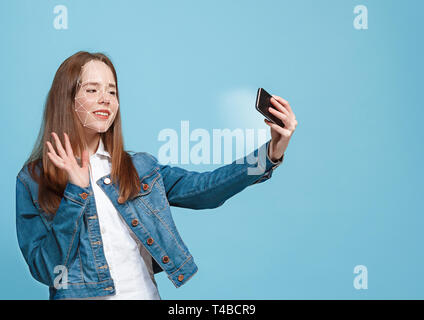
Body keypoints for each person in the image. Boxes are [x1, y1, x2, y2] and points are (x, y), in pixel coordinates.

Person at [15, 51, 298, 300]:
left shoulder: (139, 168)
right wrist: (75, 193)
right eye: (92, 90)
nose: (105, 99)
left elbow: (205, 189)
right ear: (67, 99)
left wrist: (270, 153)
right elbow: (46, 270)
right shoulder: (32, 180)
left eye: (112, 91)